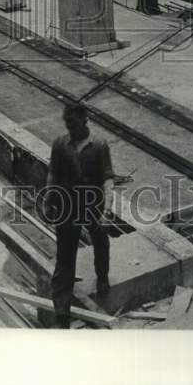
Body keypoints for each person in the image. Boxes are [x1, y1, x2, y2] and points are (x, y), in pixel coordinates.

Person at [43, 102, 114, 328]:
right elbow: (53, 173)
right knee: (65, 258)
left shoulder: (100, 145)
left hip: (93, 205)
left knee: (101, 243)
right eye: (67, 123)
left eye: (73, 123)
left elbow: (107, 178)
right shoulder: (59, 145)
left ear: (85, 120)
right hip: (67, 207)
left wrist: (107, 209)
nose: (69, 127)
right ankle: (61, 312)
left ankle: (102, 276)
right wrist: (48, 199)